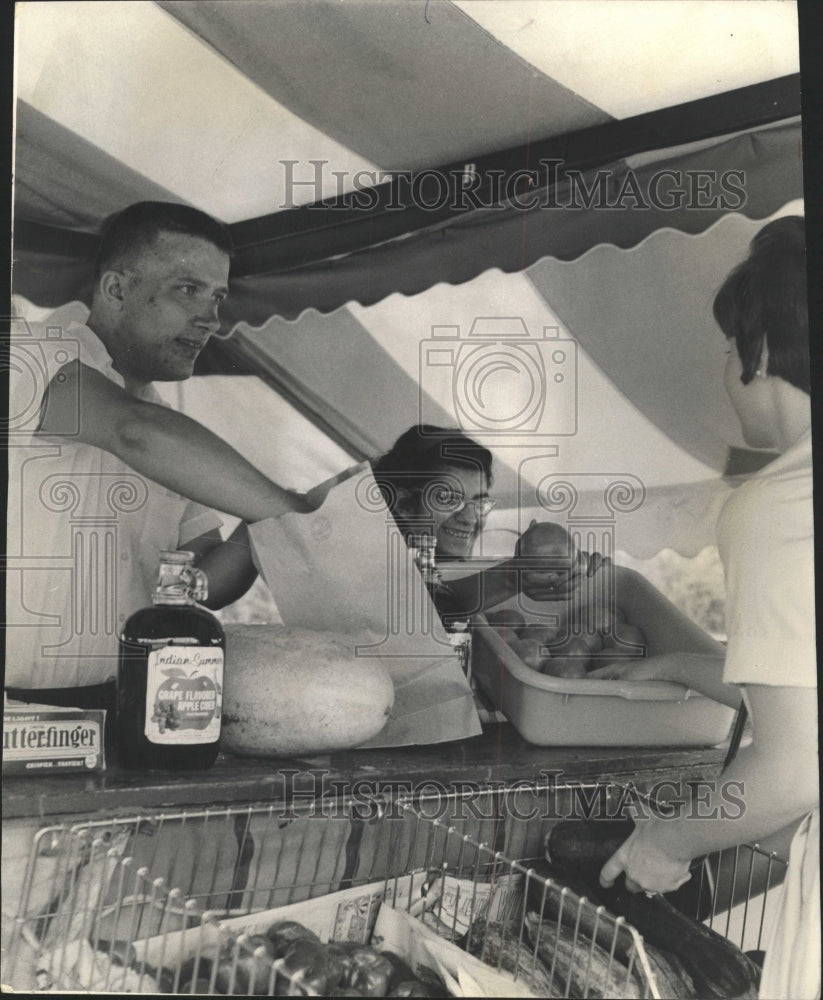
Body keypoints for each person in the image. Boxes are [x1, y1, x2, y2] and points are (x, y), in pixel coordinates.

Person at [596, 217, 818, 999]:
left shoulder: (779, 498)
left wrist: (669, 836)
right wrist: (687, 665)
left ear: (759, 353)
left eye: (729, 351)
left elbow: (796, 764)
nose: (727, 373)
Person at [6, 201, 310, 711]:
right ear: (116, 289)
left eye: (217, 297)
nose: (210, 319)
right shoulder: (27, 355)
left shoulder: (168, 429)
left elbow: (203, 586)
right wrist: (294, 512)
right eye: (187, 289)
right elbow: (132, 431)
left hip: (113, 712)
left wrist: (268, 530)